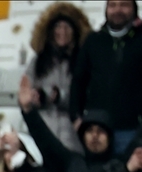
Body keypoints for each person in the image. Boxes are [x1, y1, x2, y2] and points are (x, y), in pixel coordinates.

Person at [69, 0, 142, 154]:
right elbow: (78, 82)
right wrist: (76, 117)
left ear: (134, 8)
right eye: (113, 5)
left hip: (137, 130)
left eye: (124, 5)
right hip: (97, 131)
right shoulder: (92, 41)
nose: (118, 10)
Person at [25, 3, 92, 154]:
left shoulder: (83, 61)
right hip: (43, 132)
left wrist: (58, 96)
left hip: (73, 136)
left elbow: (86, 93)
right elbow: (25, 91)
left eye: (67, 27)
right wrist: (33, 97)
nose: (62, 32)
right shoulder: (38, 61)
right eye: (58, 27)